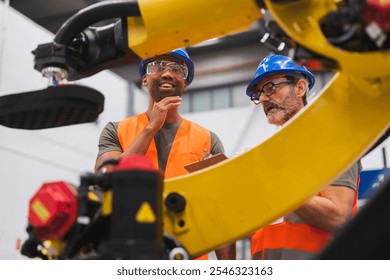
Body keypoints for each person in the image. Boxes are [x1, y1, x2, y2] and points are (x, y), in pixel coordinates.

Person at [94, 48, 235, 260]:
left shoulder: (208, 140)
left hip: (187, 258)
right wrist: (151, 128)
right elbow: (104, 179)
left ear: (185, 83)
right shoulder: (116, 130)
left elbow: (219, 213)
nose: (168, 73)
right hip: (128, 255)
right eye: (158, 67)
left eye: (177, 69)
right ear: (145, 79)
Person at [246, 54, 361, 260]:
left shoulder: (332, 140)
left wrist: (273, 183)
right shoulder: (270, 153)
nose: (263, 98)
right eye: (259, 93)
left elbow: (338, 216)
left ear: (300, 88)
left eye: (270, 87)